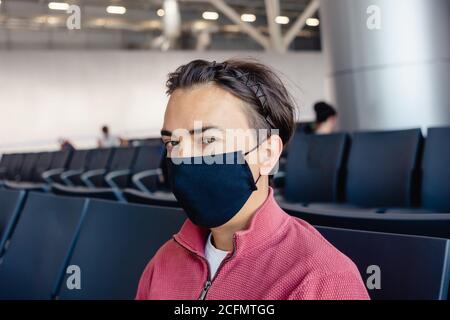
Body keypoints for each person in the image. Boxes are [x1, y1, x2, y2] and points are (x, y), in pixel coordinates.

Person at [136, 59, 369, 300]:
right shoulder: (162, 264)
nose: (182, 157)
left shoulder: (320, 280)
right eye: (172, 143)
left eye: (208, 140)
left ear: (267, 154)